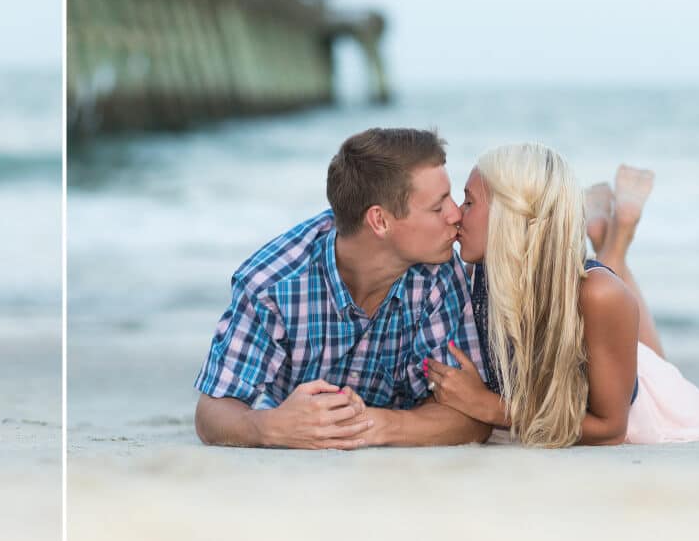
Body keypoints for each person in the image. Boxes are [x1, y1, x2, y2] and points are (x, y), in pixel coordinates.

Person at [193, 127, 493, 449]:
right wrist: (270, 427)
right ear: (379, 221)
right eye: (438, 207)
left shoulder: (440, 271)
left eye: (450, 197)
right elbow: (212, 412)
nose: (455, 214)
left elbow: (470, 415)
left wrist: (379, 426)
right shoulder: (273, 285)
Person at [428, 144, 699, 446]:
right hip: (606, 351)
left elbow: (610, 430)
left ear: (512, 216)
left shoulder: (599, 295)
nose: (455, 214)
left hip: (641, 408)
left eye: (468, 202)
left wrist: (490, 407)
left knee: (651, 358)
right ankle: (611, 239)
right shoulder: (481, 272)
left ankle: (618, 239)